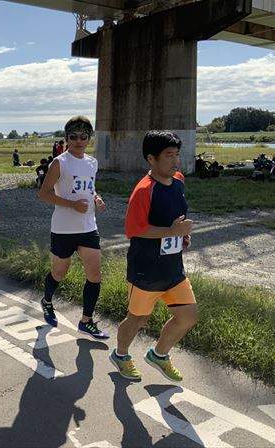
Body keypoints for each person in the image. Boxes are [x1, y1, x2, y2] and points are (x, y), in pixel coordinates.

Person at [109, 130, 196, 383]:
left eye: (177, 154)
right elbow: (134, 230)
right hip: (145, 270)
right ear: (151, 158)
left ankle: (159, 355)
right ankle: (120, 355)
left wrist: (181, 236)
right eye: (169, 155)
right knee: (138, 319)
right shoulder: (144, 190)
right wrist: (171, 232)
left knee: (188, 316)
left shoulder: (178, 181)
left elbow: (175, 218)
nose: (175, 161)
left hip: (172, 268)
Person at [38, 116, 109, 340]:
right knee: (59, 272)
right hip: (63, 229)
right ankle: (47, 301)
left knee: (95, 275)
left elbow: (89, 188)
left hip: (88, 227)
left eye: (83, 137)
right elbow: (44, 194)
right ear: (66, 138)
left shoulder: (92, 162)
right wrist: (72, 205)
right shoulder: (60, 162)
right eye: (73, 137)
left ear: (89, 138)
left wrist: (96, 198)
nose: (78, 141)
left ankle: (86, 321)